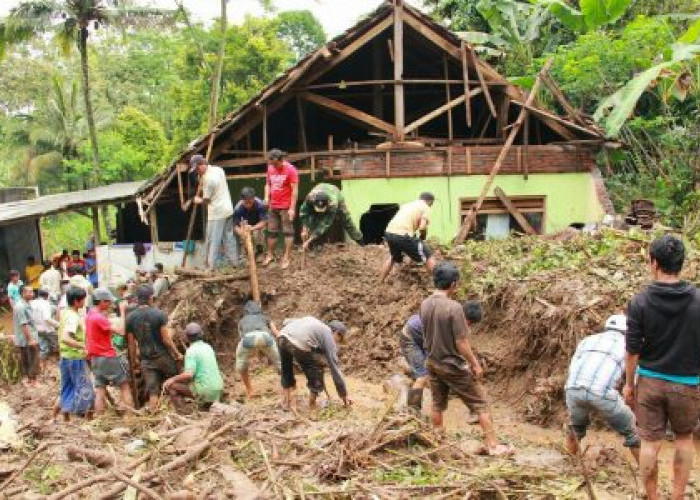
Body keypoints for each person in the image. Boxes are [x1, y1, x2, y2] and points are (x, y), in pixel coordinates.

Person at [624, 235, 700, 500]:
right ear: (682, 263)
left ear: (653, 262)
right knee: (683, 439)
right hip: (688, 382)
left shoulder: (639, 302)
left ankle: (653, 497)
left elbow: (632, 350)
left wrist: (628, 384)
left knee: (650, 443)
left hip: (650, 382)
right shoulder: (698, 300)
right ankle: (677, 496)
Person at [420, 261, 513, 455]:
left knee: (437, 404)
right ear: (454, 284)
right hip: (452, 364)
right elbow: (461, 342)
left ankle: (438, 441)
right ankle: (493, 445)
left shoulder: (425, 303)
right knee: (480, 404)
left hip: (432, 361)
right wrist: (475, 364)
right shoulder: (454, 308)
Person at [565, 314, 640, 462]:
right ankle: (647, 475)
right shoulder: (628, 346)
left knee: (575, 429)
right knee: (633, 434)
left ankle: (570, 463)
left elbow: (573, 367)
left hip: (573, 389)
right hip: (601, 392)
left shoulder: (587, 341)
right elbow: (634, 382)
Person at [401, 301, 482, 413]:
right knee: (422, 376)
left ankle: (412, 375)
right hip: (411, 337)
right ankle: (412, 413)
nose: (468, 326)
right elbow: (456, 346)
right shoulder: (448, 320)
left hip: (424, 336)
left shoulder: (453, 316)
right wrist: (471, 364)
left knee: (435, 366)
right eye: (469, 322)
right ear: (463, 316)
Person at [125, 285, 182, 411]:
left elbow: (131, 344)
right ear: (150, 298)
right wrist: (177, 353)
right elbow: (166, 339)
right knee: (175, 380)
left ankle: (153, 415)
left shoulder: (129, 318)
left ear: (138, 299)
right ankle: (179, 410)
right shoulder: (159, 314)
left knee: (152, 391)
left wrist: (134, 361)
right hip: (162, 356)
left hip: (146, 360)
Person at [274, 316, 350, 409]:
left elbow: (286, 321)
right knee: (316, 369)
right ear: (337, 333)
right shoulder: (328, 334)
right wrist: (344, 395)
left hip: (282, 336)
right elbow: (335, 368)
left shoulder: (314, 323)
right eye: (339, 340)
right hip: (299, 342)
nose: (336, 343)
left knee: (286, 368)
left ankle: (287, 404)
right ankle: (312, 404)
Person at [86, 288, 133, 416]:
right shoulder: (99, 318)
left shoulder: (90, 314)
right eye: (108, 302)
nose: (110, 305)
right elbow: (121, 331)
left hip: (95, 357)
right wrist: (123, 312)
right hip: (107, 356)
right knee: (124, 386)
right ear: (101, 301)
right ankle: (129, 417)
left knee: (100, 389)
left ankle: (99, 418)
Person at [190, 154, 238, 270]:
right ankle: (235, 263)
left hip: (217, 213)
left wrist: (197, 200)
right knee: (229, 237)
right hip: (228, 209)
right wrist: (201, 179)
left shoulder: (208, 180)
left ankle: (210, 267)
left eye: (197, 169)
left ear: (202, 165)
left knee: (213, 240)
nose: (197, 172)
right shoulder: (218, 169)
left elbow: (206, 201)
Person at [163, 322, 224, 409]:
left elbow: (189, 374)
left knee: (172, 387)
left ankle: (184, 414)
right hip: (218, 388)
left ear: (187, 337)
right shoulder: (208, 347)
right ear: (201, 334)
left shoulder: (191, 351)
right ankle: (205, 406)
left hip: (205, 391)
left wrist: (172, 379)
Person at [380, 192, 437, 283]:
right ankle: (439, 284)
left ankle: (380, 282)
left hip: (389, 232)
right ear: (430, 202)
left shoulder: (408, 205)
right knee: (428, 255)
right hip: (403, 234)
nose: (431, 206)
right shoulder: (425, 207)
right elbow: (422, 227)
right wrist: (423, 236)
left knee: (393, 257)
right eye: (432, 204)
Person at [58, 287, 95, 419]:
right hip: (75, 357)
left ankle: (66, 417)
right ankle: (85, 417)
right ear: (76, 301)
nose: (84, 302)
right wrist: (83, 346)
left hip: (65, 357)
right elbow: (66, 338)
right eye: (83, 300)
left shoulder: (65, 313)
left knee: (67, 387)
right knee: (86, 389)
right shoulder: (73, 317)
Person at [235, 301, 281, 399]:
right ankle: (288, 384)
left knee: (241, 362)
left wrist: (250, 351)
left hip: (248, 339)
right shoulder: (264, 317)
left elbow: (241, 337)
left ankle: (249, 390)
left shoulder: (242, 321)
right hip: (265, 336)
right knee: (279, 362)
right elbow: (276, 332)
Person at [263, 149, 298, 269]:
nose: (274, 166)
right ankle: (270, 255)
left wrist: (292, 208)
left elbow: (294, 191)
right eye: (272, 164)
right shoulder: (270, 168)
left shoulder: (291, 170)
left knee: (288, 232)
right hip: (273, 205)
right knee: (272, 232)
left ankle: (287, 257)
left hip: (286, 206)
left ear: (281, 160)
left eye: (276, 164)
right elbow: (267, 184)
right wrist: (266, 197)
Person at [300, 183, 363, 250]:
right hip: (320, 188)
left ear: (328, 204)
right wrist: (305, 228)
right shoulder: (310, 198)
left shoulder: (333, 204)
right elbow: (304, 214)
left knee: (347, 220)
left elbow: (324, 224)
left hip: (335, 192)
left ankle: (360, 241)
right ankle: (314, 245)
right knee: (313, 220)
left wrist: (309, 240)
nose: (321, 213)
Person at [13, 285, 40, 387]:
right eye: (29, 292)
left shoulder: (26, 304)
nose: (32, 294)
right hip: (27, 337)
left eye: (32, 292)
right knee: (33, 358)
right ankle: (33, 380)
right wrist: (31, 339)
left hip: (26, 336)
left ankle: (30, 379)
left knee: (27, 358)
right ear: (23, 293)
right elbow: (24, 324)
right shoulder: (21, 306)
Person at [233, 187, 268, 256]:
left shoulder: (260, 204)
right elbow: (235, 225)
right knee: (243, 236)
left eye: (250, 202)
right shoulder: (238, 208)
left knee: (257, 234)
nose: (248, 205)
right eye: (246, 202)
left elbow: (264, 221)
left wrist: (252, 228)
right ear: (242, 200)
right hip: (244, 226)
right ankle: (245, 254)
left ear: (254, 198)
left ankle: (260, 252)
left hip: (257, 225)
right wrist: (241, 233)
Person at [31, 288, 59, 371]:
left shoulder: (32, 302)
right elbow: (47, 318)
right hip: (47, 329)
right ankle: (57, 365)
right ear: (47, 296)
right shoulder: (45, 303)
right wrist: (58, 325)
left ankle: (41, 367)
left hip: (37, 329)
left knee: (43, 348)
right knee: (58, 343)